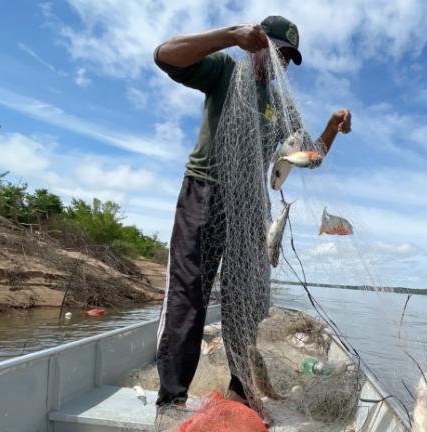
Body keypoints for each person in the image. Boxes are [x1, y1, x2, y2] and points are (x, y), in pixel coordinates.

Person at [153, 15, 352, 412]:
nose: (280, 61)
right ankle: (172, 397)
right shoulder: (225, 71)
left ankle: (240, 394)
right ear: (257, 43)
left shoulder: (282, 107)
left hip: (250, 207)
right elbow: (165, 57)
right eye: (277, 50)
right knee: (189, 295)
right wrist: (229, 36)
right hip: (205, 191)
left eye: (288, 58)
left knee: (247, 301)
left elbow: (309, 156)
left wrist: (330, 127)